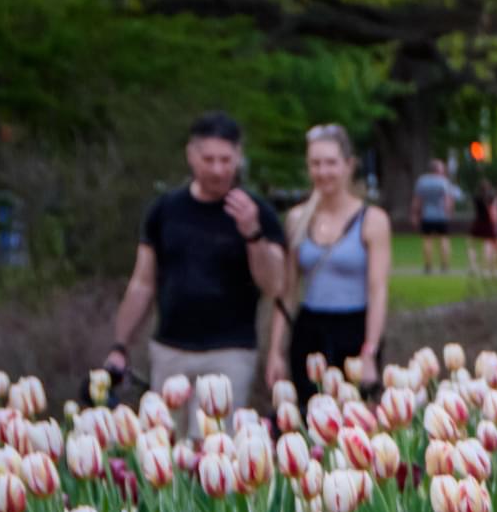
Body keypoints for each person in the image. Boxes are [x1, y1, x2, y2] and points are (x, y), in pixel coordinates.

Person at [104, 112, 287, 433]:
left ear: (239, 157)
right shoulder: (164, 211)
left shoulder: (258, 212)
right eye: (209, 159)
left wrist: (253, 233)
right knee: (166, 447)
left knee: (217, 449)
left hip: (230, 352)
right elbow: (142, 283)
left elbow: (274, 285)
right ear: (191, 156)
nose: (218, 169)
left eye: (226, 160)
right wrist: (121, 345)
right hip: (171, 350)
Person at [266, 126, 391, 403]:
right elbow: (287, 290)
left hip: (354, 329)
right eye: (316, 164)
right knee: (310, 415)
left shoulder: (372, 220)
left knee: (355, 419)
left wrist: (369, 352)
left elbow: (377, 290)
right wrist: (275, 349)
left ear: (348, 165)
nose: (323, 172)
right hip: (310, 329)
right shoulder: (298, 218)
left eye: (331, 163)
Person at [411, 159, 462, 273]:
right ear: (439, 170)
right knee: (444, 239)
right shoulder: (444, 182)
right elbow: (448, 199)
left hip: (427, 215)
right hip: (442, 215)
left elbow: (418, 199)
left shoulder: (422, 181)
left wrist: (415, 213)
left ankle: (428, 265)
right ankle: (444, 265)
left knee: (427, 240)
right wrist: (449, 212)